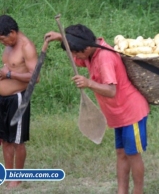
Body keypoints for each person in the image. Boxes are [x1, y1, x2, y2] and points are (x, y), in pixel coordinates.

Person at [45, 24, 150, 194]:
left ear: (86, 48)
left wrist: (89, 83)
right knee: (121, 153)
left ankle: (138, 191)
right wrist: (61, 37)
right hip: (118, 116)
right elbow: (79, 58)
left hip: (131, 113)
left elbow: (111, 90)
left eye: (75, 52)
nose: (74, 56)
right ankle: (121, 191)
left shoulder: (105, 59)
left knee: (132, 154)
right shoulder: (91, 50)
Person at [0, 15, 39, 188]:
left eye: (3, 39)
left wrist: (8, 75)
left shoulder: (26, 47)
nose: (2, 43)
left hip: (18, 99)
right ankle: (9, 176)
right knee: (5, 140)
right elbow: (9, 67)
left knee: (17, 141)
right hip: (3, 99)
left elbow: (35, 77)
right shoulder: (8, 45)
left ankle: (18, 177)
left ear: (13, 33)